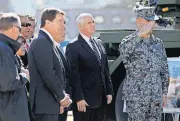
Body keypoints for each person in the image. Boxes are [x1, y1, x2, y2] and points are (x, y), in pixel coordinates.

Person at [119, 1, 169, 121]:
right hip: (137, 98)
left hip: (155, 98)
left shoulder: (158, 43)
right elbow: (124, 53)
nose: (151, 24)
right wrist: (140, 36)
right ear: (138, 21)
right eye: (148, 21)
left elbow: (164, 70)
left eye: (152, 21)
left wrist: (164, 93)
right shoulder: (128, 41)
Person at [66, 13, 114, 121]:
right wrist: (78, 98)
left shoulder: (99, 43)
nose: (93, 24)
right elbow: (73, 75)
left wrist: (109, 91)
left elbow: (105, 70)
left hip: (101, 100)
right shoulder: (73, 46)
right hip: (84, 102)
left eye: (93, 22)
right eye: (89, 23)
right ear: (80, 26)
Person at [28, 8, 72, 121]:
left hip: (50, 105)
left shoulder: (49, 42)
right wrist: (62, 97)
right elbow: (48, 73)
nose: (63, 25)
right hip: (44, 106)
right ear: (48, 22)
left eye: (64, 22)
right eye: (60, 21)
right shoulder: (41, 41)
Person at [0, 13, 30, 121]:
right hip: (11, 112)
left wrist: (19, 71)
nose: (20, 31)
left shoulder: (5, 47)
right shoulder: (4, 49)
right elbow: (8, 84)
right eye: (19, 28)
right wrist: (25, 76)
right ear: (13, 28)